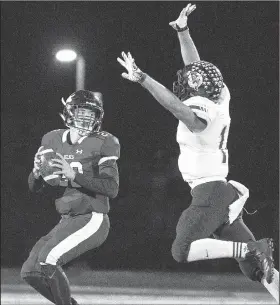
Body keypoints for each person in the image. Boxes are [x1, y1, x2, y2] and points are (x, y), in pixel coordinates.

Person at [117, 3, 278, 302]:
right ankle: (254, 256)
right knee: (260, 270)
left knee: (182, 250)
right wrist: (183, 31)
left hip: (210, 193)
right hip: (220, 189)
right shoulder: (221, 95)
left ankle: (249, 249)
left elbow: (177, 107)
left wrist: (143, 79)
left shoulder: (200, 110)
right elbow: (197, 69)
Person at [21, 90, 120, 305]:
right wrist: (37, 173)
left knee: (49, 260)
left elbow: (111, 188)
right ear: (68, 114)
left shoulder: (104, 142)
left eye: (90, 114)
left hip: (92, 217)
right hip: (67, 219)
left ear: (98, 117)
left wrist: (75, 175)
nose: (86, 118)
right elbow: (35, 187)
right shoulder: (52, 138)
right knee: (30, 271)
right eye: (81, 112)